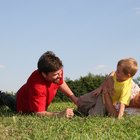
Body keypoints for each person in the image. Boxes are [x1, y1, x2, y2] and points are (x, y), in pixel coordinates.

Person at [0, 51, 78, 118]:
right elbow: (38, 113)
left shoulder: (56, 71)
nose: (60, 76)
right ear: (44, 74)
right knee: (7, 99)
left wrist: (74, 98)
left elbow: (61, 83)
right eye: (56, 74)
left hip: (27, 90)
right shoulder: (37, 86)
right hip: (21, 104)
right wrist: (59, 114)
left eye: (61, 71)